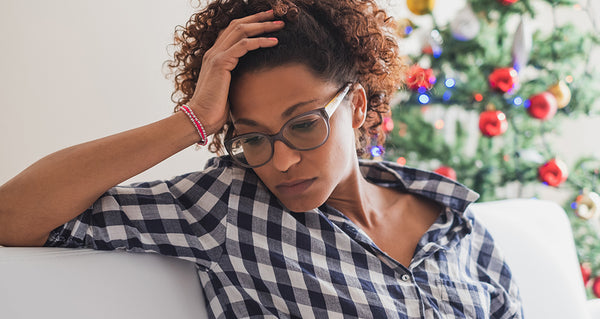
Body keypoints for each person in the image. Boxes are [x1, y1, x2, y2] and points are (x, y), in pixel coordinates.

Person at [0, 0, 523, 318]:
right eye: (253, 138)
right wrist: (192, 121)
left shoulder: (456, 222)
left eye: (303, 125)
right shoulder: (225, 207)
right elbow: (13, 213)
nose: (282, 162)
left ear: (358, 106)